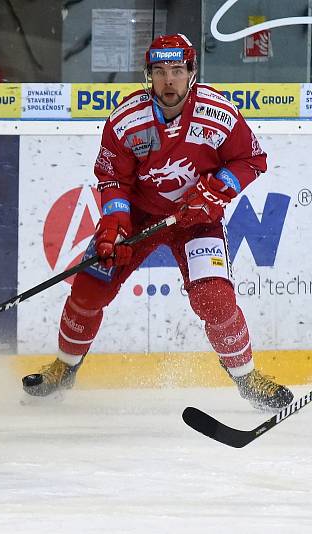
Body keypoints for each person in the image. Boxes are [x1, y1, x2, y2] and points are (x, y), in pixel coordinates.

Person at [21, 34, 294, 411]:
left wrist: (214, 192)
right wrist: (114, 224)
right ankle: (64, 368)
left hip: (198, 221)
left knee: (214, 299)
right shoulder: (125, 120)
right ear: (148, 74)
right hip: (138, 217)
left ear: (192, 73)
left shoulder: (219, 114)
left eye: (177, 71)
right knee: (88, 289)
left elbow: (251, 160)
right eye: (161, 71)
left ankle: (248, 378)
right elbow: (113, 179)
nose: (169, 81)